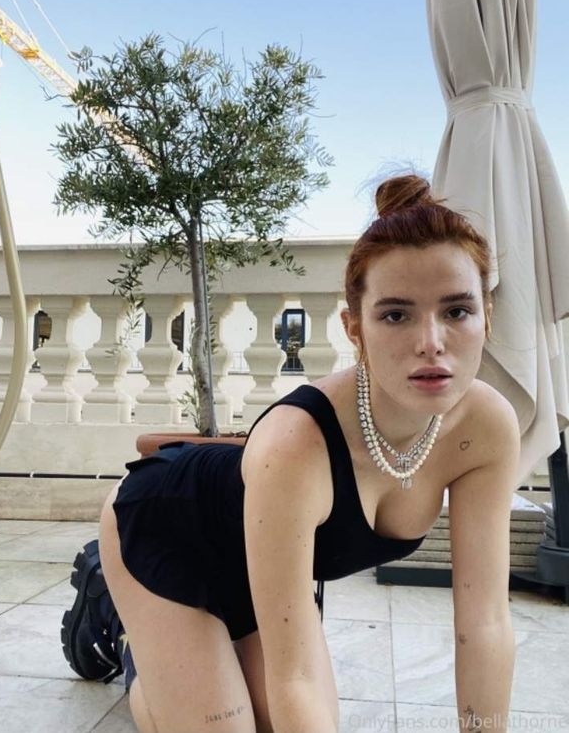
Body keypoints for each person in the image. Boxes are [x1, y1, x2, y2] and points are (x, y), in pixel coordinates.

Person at [61, 173, 518, 733]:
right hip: (171, 525)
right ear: (354, 328)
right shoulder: (296, 444)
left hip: (267, 570)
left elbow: (485, 623)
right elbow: (294, 676)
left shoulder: (486, 429)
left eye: (457, 311)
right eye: (396, 314)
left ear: (486, 315)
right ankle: (125, 625)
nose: (431, 342)